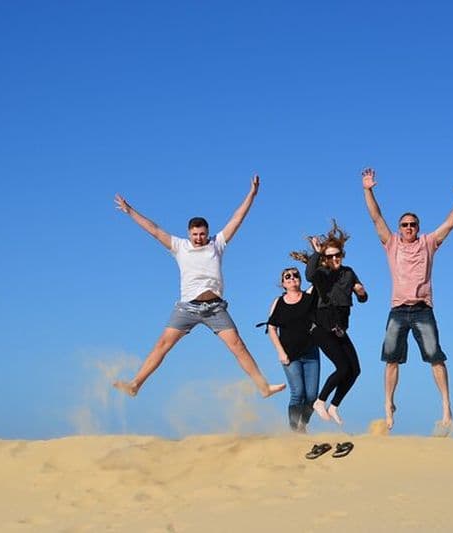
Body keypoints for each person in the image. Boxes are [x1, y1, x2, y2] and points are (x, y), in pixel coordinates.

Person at [112, 175, 285, 399]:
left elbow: (237, 218)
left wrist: (251, 194)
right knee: (162, 344)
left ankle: (263, 387)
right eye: (195, 234)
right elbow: (154, 230)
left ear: (207, 232)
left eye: (202, 234)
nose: (199, 238)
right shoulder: (179, 246)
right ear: (188, 233)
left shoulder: (217, 243)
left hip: (215, 308)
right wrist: (130, 211)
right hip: (187, 308)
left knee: (237, 345)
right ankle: (135, 384)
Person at [362, 167, 453, 436]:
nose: (409, 228)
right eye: (405, 225)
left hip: (423, 310)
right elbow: (376, 217)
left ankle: (447, 408)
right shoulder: (391, 244)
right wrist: (368, 190)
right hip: (398, 310)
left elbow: (450, 224)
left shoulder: (428, 243)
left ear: (418, 228)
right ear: (400, 228)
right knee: (391, 360)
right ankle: (388, 405)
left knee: (436, 358)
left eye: (413, 224)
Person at [291, 221, 368, 425]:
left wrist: (361, 292)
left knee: (355, 370)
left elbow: (362, 298)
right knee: (342, 368)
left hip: (340, 328)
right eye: (330, 256)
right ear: (325, 258)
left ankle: (333, 406)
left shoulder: (349, 273)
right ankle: (319, 402)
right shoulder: (322, 274)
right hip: (321, 327)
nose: (334, 259)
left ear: (342, 255)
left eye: (337, 255)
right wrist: (317, 254)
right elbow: (308, 275)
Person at [264, 267, 320, 432]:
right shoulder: (278, 302)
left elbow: (319, 278)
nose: (292, 278)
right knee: (298, 393)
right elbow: (272, 328)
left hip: (311, 352)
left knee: (312, 396)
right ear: (283, 283)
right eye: (287, 277)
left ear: (300, 279)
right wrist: (280, 352)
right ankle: (294, 429)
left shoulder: (309, 298)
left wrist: (317, 255)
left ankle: (303, 425)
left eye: (295, 275)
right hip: (290, 355)